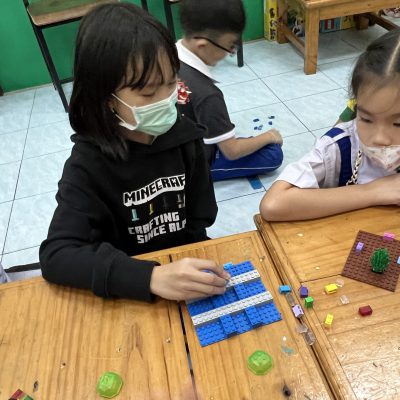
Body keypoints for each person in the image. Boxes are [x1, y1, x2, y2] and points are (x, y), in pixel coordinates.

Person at [39, 3, 231, 302]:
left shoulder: (187, 138)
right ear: (105, 96)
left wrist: (190, 262)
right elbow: (57, 256)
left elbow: (199, 219)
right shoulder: (87, 164)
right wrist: (150, 277)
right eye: (148, 92)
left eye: (171, 83)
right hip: (126, 288)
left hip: (180, 269)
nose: (165, 99)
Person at [260, 29, 400, 221]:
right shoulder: (339, 147)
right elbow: (274, 204)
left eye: (398, 123)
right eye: (366, 119)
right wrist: (373, 191)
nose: (379, 138)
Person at [177, 0, 283, 181]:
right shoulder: (207, 94)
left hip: (176, 146)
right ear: (202, 45)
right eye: (230, 47)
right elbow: (232, 151)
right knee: (273, 154)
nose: (229, 52)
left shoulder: (167, 54)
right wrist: (269, 136)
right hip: (195, 161)